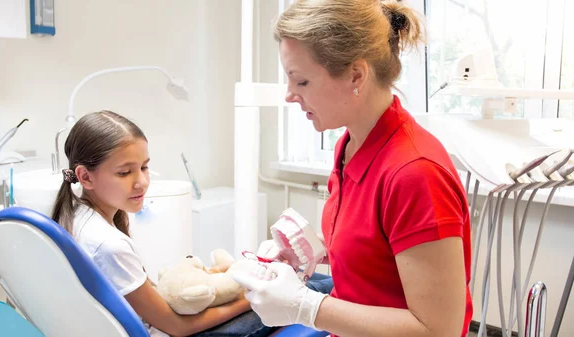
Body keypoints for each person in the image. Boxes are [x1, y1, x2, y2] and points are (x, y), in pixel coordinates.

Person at [231, 1, 473, 337]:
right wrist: (310, 251)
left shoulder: (415, 173)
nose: (289, 95)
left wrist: (306, 306)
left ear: (356, 75)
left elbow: (438, 330)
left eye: (300, 82)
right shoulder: (350, 145)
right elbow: (377, 256)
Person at [51, 110, 333, 337]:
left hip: (159, 322)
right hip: (173, 332)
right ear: (85, 177)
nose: (142, 181)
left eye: (144, 167)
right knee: (319, 286)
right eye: (125, 172)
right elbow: (178, 327)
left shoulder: (73, 215)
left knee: (307, 279)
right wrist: (253, 298)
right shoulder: (108, 244)